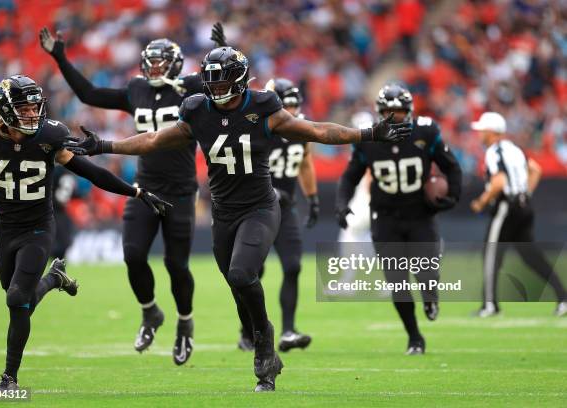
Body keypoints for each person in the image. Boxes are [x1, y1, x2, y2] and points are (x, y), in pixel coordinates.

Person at [64, 47, 411, 391]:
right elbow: (155, 139)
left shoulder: (263, 107)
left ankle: (264, 343)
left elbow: (316, 131)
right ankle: (262, 340)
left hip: (260, 206)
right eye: (210, 80)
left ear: (240, 80)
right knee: (238, 287)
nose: (214, 87)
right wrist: (105, 146)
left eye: (221, 80)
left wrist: (365, 134)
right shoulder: (197, 109)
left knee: (242, 273)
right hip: (224, 213)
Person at [0, 75, 170, 390]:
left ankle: (9, 378)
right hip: (7, 228)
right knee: (19, 298)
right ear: (5, 108)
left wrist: (136, 192)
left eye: (34, 107)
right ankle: (55, 278)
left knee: (17, 299)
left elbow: (92, 173)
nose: (32, 114)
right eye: (24, 109)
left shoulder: (49, 137)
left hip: (38, 228)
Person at [40, 24, 226, 364]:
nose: (154, 68)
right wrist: (61, 57)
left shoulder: (193, 88)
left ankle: (185, 322)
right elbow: (89, 94)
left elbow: (223, 85)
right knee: (133, 254)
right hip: (145, 186)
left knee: (176, 264)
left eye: (161, 63)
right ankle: (150, 312)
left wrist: (222, 49)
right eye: (150, 62)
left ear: (175, 64)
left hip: (181, 189)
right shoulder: (137, 89)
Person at [336, 83, 462, 355]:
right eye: (389, 112)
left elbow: (452, 166)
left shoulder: (426, 133)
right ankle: (414, 337)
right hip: (386, 217)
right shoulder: (370, 139)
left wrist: (454, 195)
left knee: (426, 271)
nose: (395, 117)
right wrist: (341, 203)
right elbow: (350, 175)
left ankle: (430, 296)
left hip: (419, 213)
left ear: (410, 112)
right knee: (397, 281)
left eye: (401, 112)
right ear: (380, 112)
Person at [236, 78, 319, 353]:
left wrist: (313, 198)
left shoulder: (300, 127)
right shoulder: (261, 127)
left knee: (293, 266)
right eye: (288, 105)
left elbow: (305, 161)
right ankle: (248, 331)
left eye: (295, 105)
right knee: (251, 271)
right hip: (256, 208)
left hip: (287, 209)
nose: (292, 112)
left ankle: (288, 330)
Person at [470, 112, 567, 317]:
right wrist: (525, 194)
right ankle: (563, 298)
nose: (479, 133)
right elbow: (536, 170)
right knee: (531, 256)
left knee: (491, 254)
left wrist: (481, 201)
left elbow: (499, 182)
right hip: (523, 207)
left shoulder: (493, 151)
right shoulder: (515, 149)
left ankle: (490, 305)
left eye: (482, 129)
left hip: (506, 207)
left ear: (492, 131)